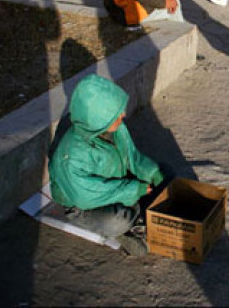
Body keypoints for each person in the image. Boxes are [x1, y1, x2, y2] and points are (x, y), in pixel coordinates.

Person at [48, 74, 165, 256]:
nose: (123, 115)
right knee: (116, 220)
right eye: (116, 114)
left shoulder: (114, 128)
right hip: (84, 204)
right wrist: (134, 190)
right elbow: (87, 196)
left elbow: (132, 157)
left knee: (165, 173)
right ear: (97, 120)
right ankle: (122, 230)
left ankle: (136, 210)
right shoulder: (71, 156)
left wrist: (152, 173)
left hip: (116, 182)